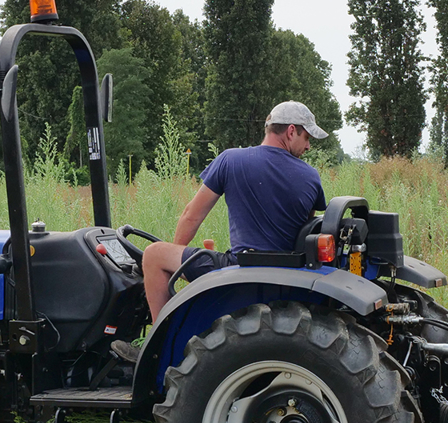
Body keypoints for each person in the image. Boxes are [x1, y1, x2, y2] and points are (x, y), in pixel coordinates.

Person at [132, 100, 331, 332]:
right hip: (286, 275)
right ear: (291, 131)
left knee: (154, 255)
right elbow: (304, 229)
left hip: (241, 269)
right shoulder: (310, 176)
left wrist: (177, 268)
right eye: (306, 138)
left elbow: (191, 216)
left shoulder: (230, 160)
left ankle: (159, 338)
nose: (308, 146)